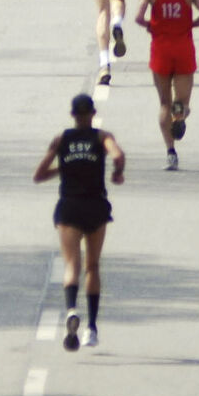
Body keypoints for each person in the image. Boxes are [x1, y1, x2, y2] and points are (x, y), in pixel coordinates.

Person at [34, 93, 124, 351]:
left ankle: (72, 309)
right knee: (92, 266)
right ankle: (92, 329)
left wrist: (64, 167)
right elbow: (117, 156)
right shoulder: (102, 137)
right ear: (92, 114)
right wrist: (117, 173)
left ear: (73, 115)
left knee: (72, 265)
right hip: (95, 206)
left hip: (69, 207)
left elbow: (39, 175)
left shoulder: (62, 139)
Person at [134, 0, 199, 171]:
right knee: (182, 101)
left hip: (160, 49)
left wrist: (152, 26)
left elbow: (138, 17)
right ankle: (181, 116)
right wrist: (188, 25)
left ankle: (170, 152)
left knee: (164, 103)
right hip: (183, 47)